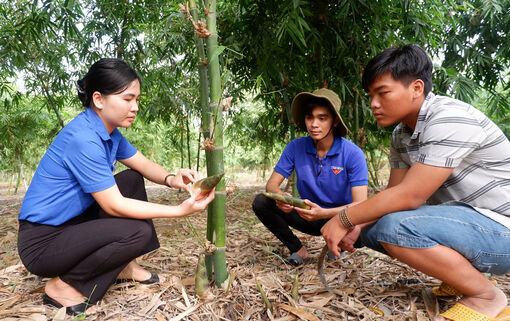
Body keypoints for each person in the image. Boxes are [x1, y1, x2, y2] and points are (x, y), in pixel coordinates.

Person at [321, 44, 510, 320]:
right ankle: (464, 279)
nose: (373, 103)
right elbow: (394, 195)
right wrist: (358, 225)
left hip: (502, 228)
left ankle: (486, 296)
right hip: (470, 224)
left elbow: (409, 197)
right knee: (373, 229)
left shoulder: (449, 118)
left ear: (417, 88)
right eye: (370, 95)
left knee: (392, 227)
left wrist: (343, 219)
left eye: (382, 93)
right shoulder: (401, 134)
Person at [17, 58, 215, 316]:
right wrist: (179, 210)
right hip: (43, 242)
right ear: (99, 100)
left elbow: (142, 164)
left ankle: (125, 266)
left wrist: (172, 179)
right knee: (136, 232)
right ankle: (65, 286)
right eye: (127, 99)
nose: (135, 107)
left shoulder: (108, 133)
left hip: (71, 225)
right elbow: (114, 205)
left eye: (137, 100)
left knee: (131, 179)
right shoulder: (84, 139)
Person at [252, 88, 368, 267]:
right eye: (309, 117)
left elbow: (360, 205)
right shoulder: (295, 147)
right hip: (305, 214)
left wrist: (324, 213)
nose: (314, 124)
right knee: (261, 202)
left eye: (322, 118)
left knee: (366, 229)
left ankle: (338, 246)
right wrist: (283, 199)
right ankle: (298, 249)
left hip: (339, 218)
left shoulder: (353, 154)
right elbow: (272, 185)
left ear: (335, 121)